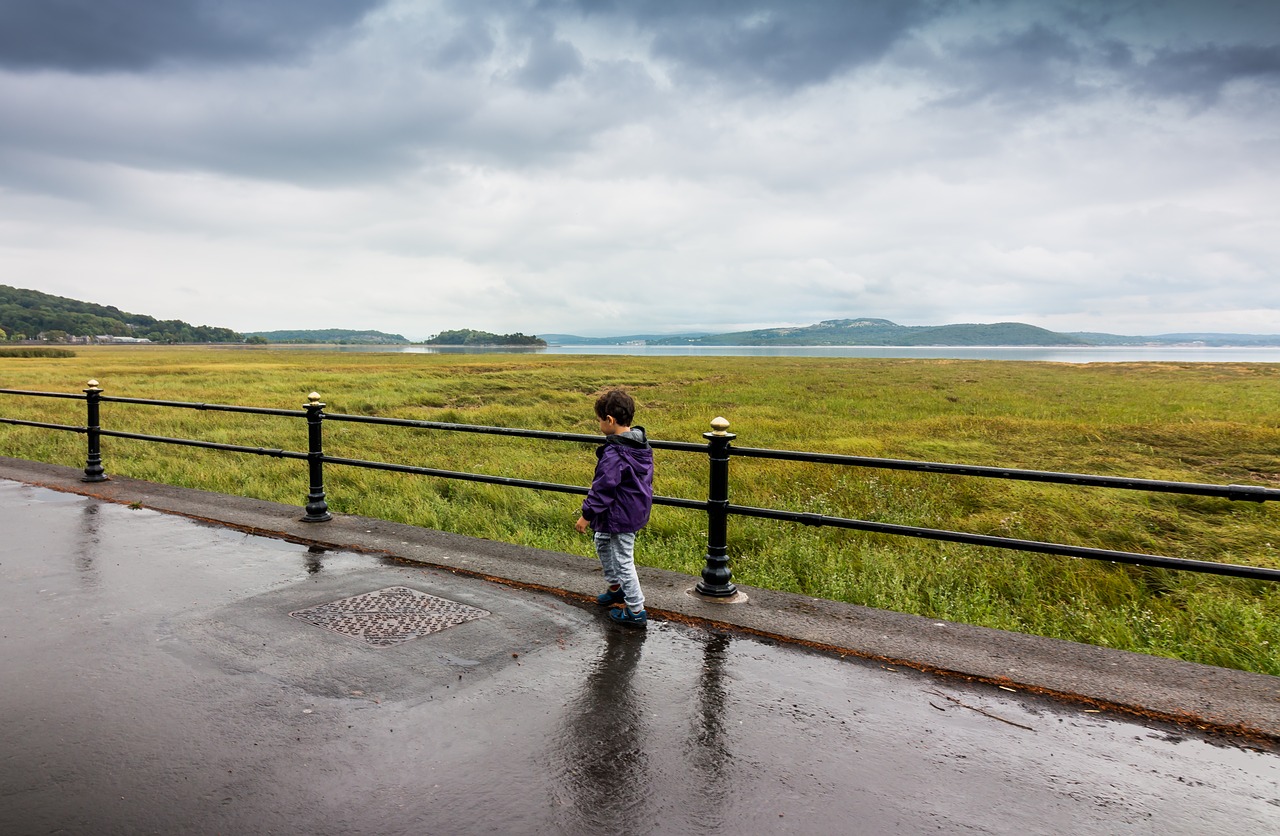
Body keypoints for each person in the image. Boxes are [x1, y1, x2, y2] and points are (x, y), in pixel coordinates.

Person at [575, 389, 654, 627]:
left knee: (623, 559)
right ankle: (616, 587)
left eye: (599, 420)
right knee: (601, 540)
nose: (598, 424)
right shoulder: (639, 443)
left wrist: (585, 515)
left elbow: (603, 489)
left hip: (621, 514)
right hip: (625, 510)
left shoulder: (616, 453)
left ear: (609, 420)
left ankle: (636, 610)